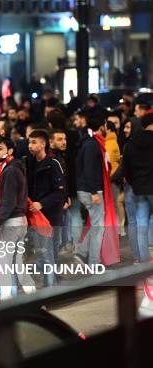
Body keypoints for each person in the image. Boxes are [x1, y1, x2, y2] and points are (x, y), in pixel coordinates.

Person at [0, 137, 35, 299]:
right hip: (19, 221)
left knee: (4, 264)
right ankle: (33, 296)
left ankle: (5, 302)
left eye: (0, 148)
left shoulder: (10, 171)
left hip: (11, 222)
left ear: (10, 151)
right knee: (17, 263)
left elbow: (8, 202)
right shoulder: (13, 168)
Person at [75, 114, 118, 266]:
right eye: (106, 125)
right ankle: (93, 262)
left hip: (85, 189)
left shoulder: (87, 142)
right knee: (99, 228)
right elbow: (89, 169)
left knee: (96, 225)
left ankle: (82, 252)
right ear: (101, 127)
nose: (107, 128)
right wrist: (94, 192)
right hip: (91, 190)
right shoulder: (92, 145)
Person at [26, 129, 66, 287]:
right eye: (29, 142)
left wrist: (42, 203)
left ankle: (50, 288)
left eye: (34, 142)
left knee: (49, 251)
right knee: (45, 251)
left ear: (43, 144)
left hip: (52, 215)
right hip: (37, 216)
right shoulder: (29, 162)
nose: (30, 145)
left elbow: (60, 191)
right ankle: (53, 283)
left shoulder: (53, 163)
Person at [122, 113, 153, 262]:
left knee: (141, 224)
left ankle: (144, 263)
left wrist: (134, 183)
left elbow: (126, 170)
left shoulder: (131, 143)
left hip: (139, 189)